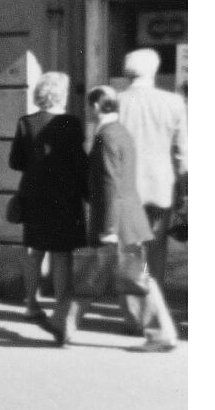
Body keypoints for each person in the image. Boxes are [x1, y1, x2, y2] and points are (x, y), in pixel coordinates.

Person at [47, 86, 178, 352]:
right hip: (128, 222)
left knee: (118, 278)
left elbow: (110, 183)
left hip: (117, 225)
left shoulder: (106, 137)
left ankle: (161, 333)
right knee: (114, 276)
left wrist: (108, 227)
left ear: (95, 108)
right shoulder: (121, 132)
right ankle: (62, 324)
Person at [7, 71, 88, 327]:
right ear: (61, 95)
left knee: (35, 251)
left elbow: (15, 162)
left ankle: (31, 304)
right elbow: (79, 164)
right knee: (62, 253)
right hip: (65, 197)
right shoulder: (72, 124)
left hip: (34, 196)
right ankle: (61, 308)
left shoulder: (25, 123)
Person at [117, 48, 187, 330]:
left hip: (125, 187)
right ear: (154, 71)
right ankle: (153, 312)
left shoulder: (116, 101)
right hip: (160, 186)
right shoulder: (172, 102)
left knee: (131, 251)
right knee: (156, 249)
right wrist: (184, 188)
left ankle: (134, 315)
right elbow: (183, 152)